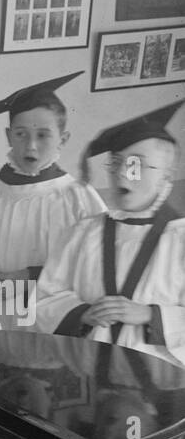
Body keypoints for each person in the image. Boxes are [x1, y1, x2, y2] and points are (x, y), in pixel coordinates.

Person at [35, 100, 185, 369]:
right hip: (91, 373)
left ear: (166, 176)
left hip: (164, 382)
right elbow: (46, 297)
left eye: (137, 165)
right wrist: (82, 314)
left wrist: (152, 316)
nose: (122, 175)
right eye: (116, 163)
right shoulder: (82, 234)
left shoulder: (180, 240)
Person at [0, 72, 106, 304]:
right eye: (21, 134)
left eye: (43, 135)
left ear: (63, 138)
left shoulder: (78, 198)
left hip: (49, 315)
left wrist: (28, 276)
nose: (31, 146)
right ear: (9, 136)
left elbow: (93, 269)